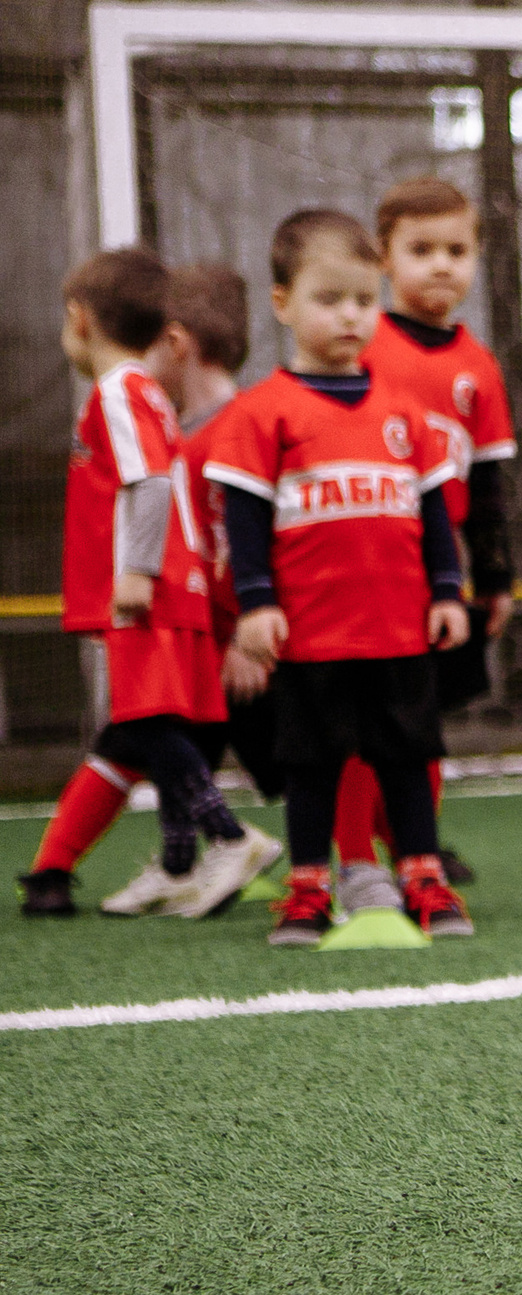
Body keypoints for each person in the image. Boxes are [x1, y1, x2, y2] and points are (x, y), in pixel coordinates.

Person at [201, 209, 475, 945]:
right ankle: (310, 887)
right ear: (282, 302)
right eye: (330, 299)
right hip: (314, 636)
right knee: (313, 764)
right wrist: (255, 605)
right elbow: (246, 521)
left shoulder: (404, 417)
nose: (351, 315)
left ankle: (422, 874)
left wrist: (447, 591)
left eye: (363, 298)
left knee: (408, 758)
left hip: (398, 629)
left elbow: (433, 516)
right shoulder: (263, 414)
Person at [17, 248, 279, 920]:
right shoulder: (151, 396)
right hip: (179, 588)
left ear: (79, 320)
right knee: (158, 722)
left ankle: (227, 835)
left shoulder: (117, 393)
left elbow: (152, 481)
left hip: (151, 590)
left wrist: (135, 570)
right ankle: (180, 864)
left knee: (146, 720)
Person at [329, 176, 519, 909]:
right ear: (384, 258)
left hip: (435, 578)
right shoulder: (362, 344)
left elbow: (493, 479)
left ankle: (419, 849)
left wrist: (495, 575)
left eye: (457, 250)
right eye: (421, 249)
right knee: (349, 718)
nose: (441, 265)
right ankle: (351, 858)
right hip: (357, 568)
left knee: (419, 720)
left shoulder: (479, 367)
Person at [162, 262, 289, 812]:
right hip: (208, 645)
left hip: (250, 647)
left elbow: (252, 542)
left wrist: (247, 636)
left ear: (176, 344)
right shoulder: (174, 436)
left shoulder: (235, 431)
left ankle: (408, 851)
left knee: (305, 765)